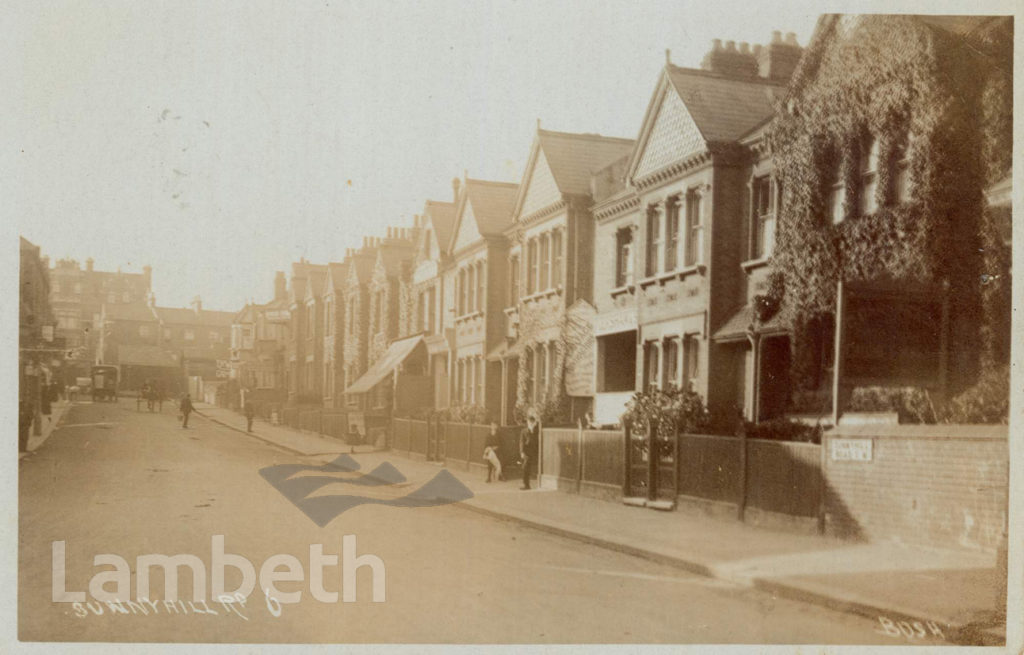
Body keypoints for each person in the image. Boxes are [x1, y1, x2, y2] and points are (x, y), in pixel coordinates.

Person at [518, 410, 540, 490]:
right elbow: (521, 442)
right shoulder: (524, 431)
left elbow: (536, 441)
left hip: (534, 452)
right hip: (527, 452)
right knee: (525, 467)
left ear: (534, 423)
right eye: (529, 422)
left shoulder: (537, 431)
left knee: (528, 468)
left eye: (532, 422)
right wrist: (522, 452)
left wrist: (533, 429)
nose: (530, 424)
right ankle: (526, 484)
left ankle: (527, 484)